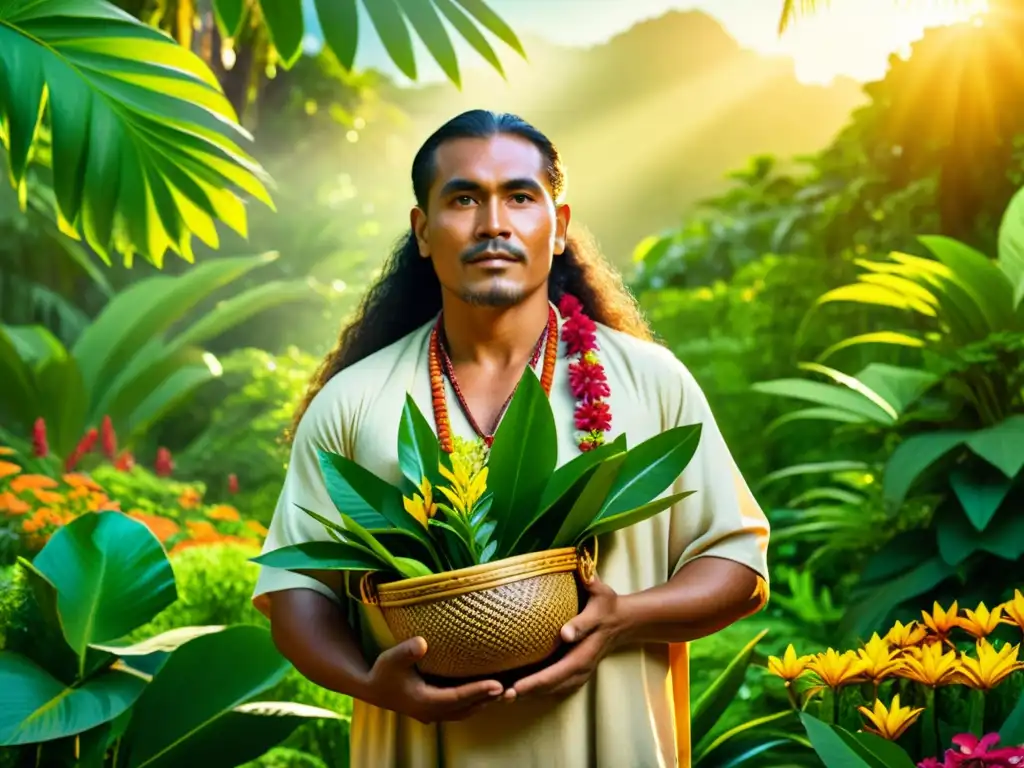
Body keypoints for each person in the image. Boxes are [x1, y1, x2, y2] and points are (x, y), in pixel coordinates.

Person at [252, 109, 770, 768]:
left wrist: (624, 619)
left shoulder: (648, 382)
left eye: (520, 197)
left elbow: (738, 568)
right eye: (463, 198)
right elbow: (297, 594)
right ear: (422, 230)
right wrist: (370, 684)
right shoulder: (356, 401)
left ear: (558, 228)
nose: (493, 222)